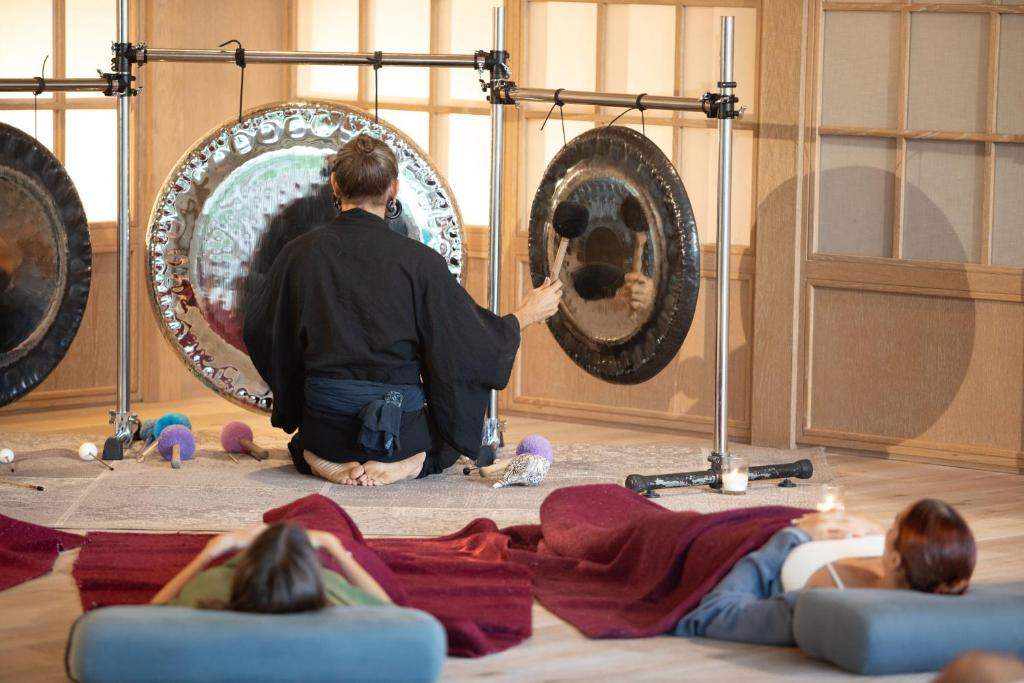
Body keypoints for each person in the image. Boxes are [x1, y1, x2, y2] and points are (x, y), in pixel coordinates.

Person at [243, 135, 562, 486]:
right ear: (393, 189)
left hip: (326, 427)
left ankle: (316, 456)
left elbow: (260, 330)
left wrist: (298, 396)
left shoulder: (298, 255)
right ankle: (411, 464)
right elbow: (469, 345)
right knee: (449, 442)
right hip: (399, 433)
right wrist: (526, 313)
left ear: (335, 182)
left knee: (305, 437)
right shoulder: (420, 263)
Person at [674, 498, 977, 645]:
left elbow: (713, 614)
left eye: (892, 526)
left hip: (714, 550)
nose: (884, 530)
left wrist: (792, 536)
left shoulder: (819, 606)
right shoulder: (923, 576)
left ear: (896, 560)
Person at [150, 523, 392, 611]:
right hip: (311, 547)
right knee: (318, 506)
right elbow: (394, 613)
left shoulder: (207, 590)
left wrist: (209, 553)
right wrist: (335, 548)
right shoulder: (333, 592)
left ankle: (271, 532)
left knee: (284, 529)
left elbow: (150, 612)